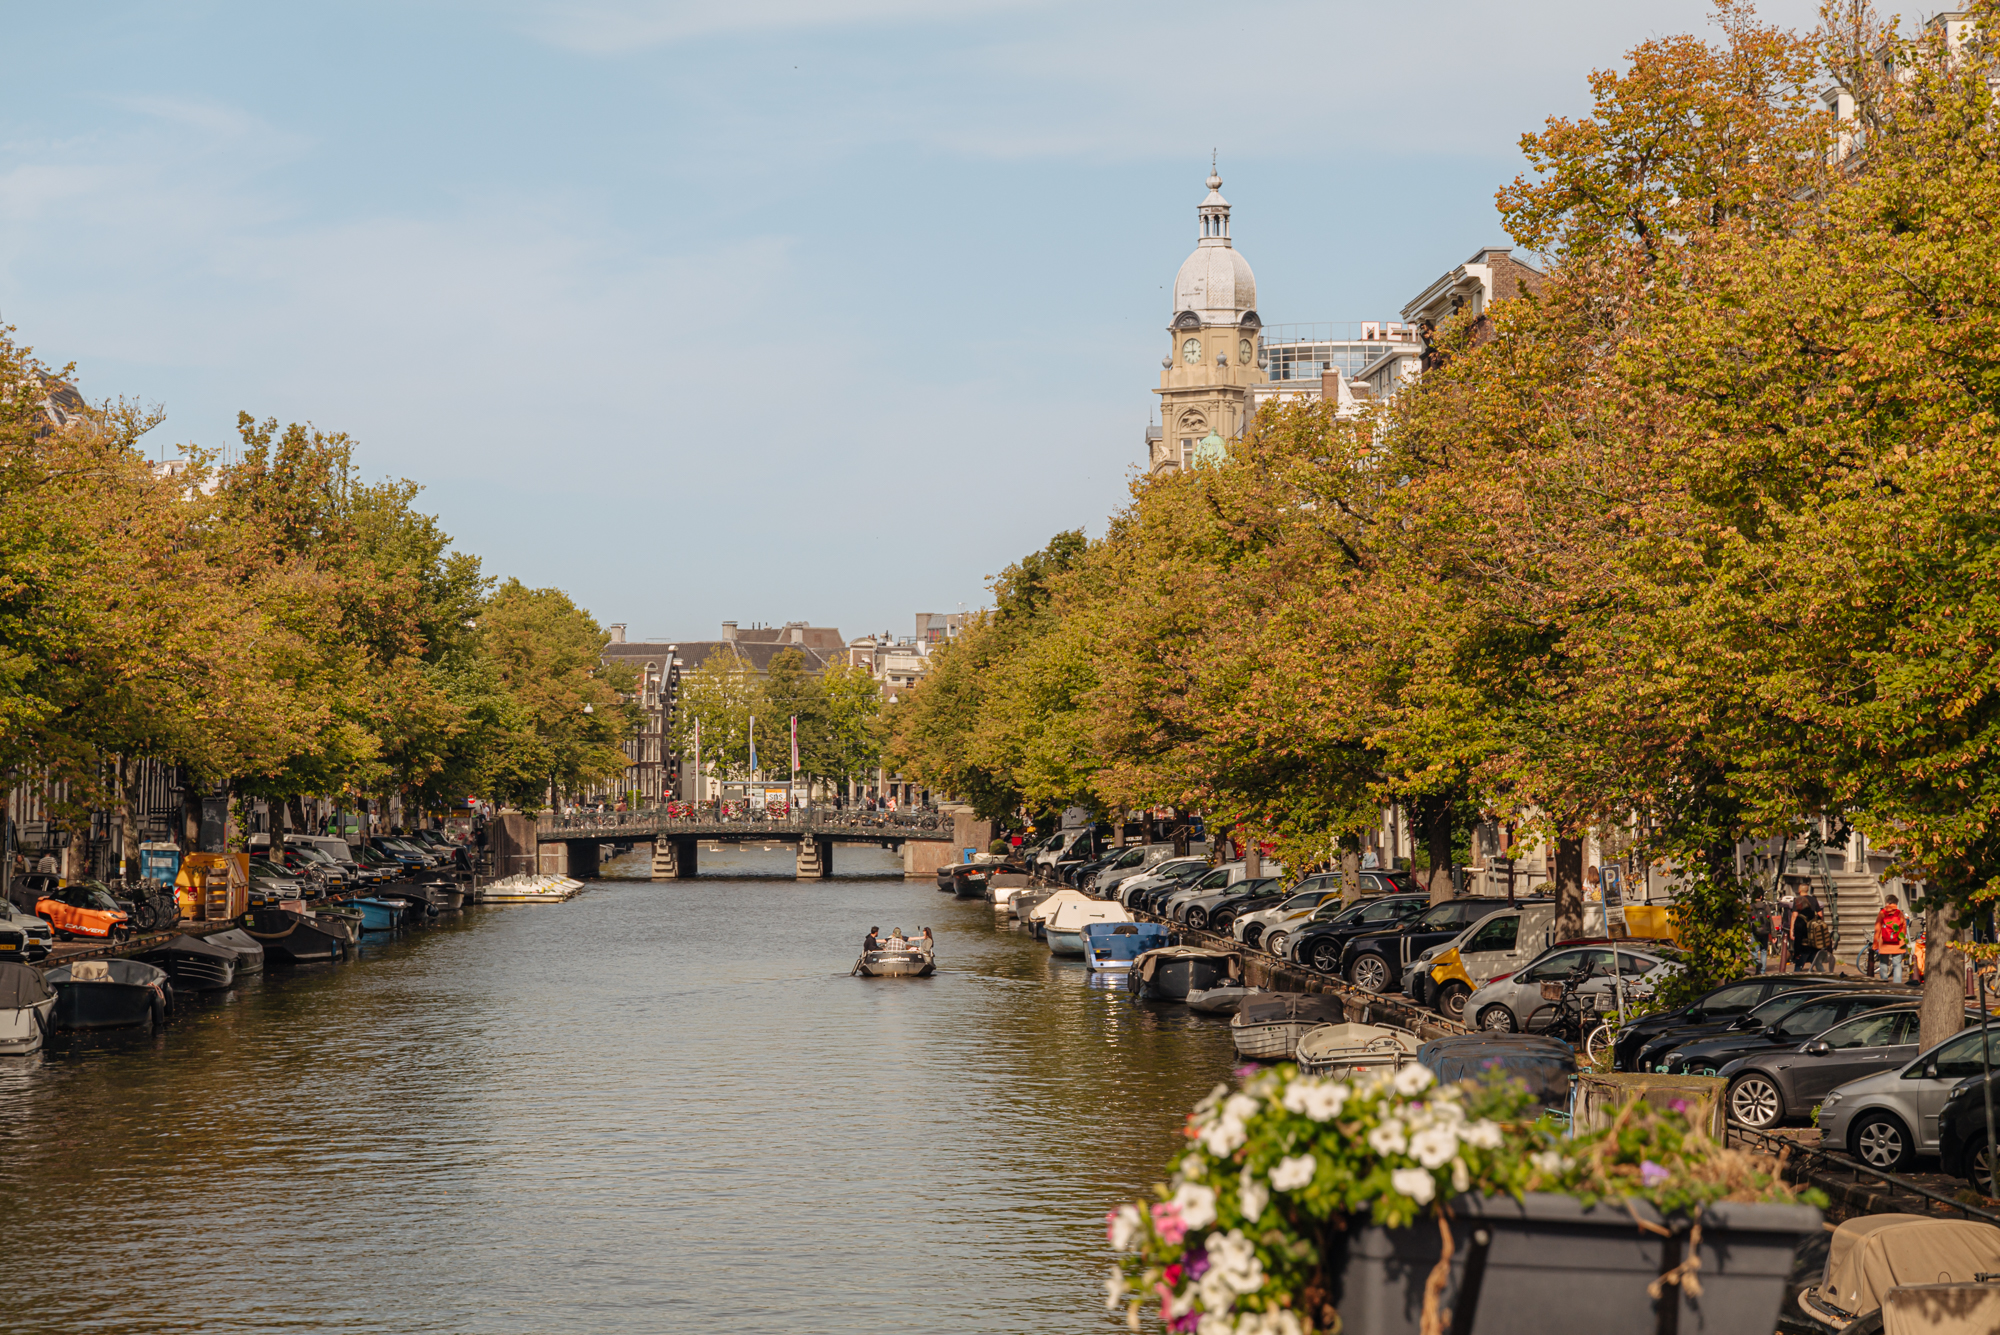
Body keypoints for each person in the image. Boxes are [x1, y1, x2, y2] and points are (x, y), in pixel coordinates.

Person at [1873, 895, 1910, 984]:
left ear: (1887, 903)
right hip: (1897, 943)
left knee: (1883, 963)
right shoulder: (1900, 913)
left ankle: (1884, 980)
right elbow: (1904, 929)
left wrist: (1875, 944)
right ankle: (1897, 984)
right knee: (1897, 964)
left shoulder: (1882, 913)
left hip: (1884, 943)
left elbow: (1877, 928)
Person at [1790, 887, 1822, 973]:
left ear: (1800, 905)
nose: (1796, 906)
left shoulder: (1800, 919)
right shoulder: (1814, 915)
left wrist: (1796, 952)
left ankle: (1794, 983)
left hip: (1804, 947)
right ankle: (1826, 978)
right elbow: (1821, 916)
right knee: (1818, 966)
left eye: (1797, 905)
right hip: (1815, 945)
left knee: (1798, 967)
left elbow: (1798, 936)